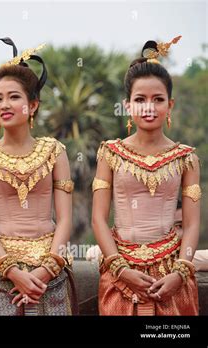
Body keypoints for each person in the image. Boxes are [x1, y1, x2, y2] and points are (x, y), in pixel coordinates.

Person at [92, 36, 201, 315]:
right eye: (140, 99)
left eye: (158, 99)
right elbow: (98, 219)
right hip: (121, 274)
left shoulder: (185, 158)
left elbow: (190, 225)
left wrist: (181, 272)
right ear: (128, 105)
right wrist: (119, 268)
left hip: (172, 274)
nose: (149, 107)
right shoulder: (111, 153)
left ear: (170, 105)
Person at [0, 37, 77, 315]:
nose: (4, 104)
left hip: (51, 272)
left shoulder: (54, 151)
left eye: (14, 96)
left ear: (33, 104)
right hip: (1, 273)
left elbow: (65, 219)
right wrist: (11, 271)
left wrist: (48, 268)